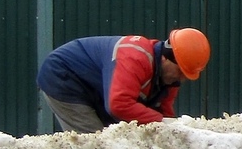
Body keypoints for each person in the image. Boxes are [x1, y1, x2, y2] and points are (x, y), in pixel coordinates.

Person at [36, 28, 211, 133]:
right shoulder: (136, 58)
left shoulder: (169, 77)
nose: (181, 79)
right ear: (166, 58)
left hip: (94, 86)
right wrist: (160, 121)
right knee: (96, 144)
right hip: (64, 76)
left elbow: (164, 113)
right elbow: (118, 104)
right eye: (181, 72)